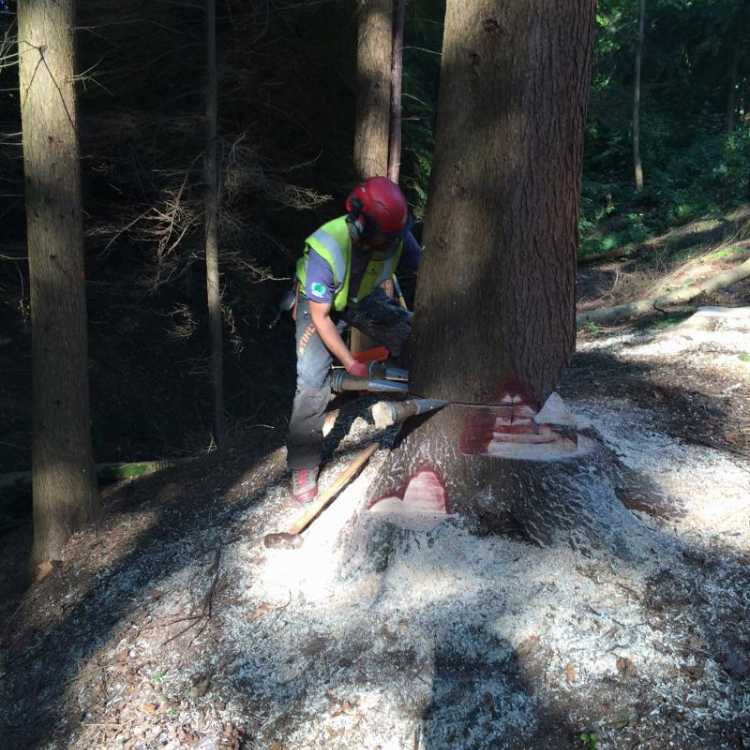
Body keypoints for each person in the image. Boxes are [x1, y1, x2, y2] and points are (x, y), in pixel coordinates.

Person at [287, 176, 420, 503]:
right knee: (312, 381)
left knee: (413, 336)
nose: (387, 244)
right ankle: (303, 464)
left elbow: (424, 267)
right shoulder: (327, 247)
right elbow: (321, 317)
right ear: (359, 221)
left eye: (392, 238)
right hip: (318, 304)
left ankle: (408, 392)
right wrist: (349, 362)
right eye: (381, 238)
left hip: (360, 296)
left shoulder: (395, 232)